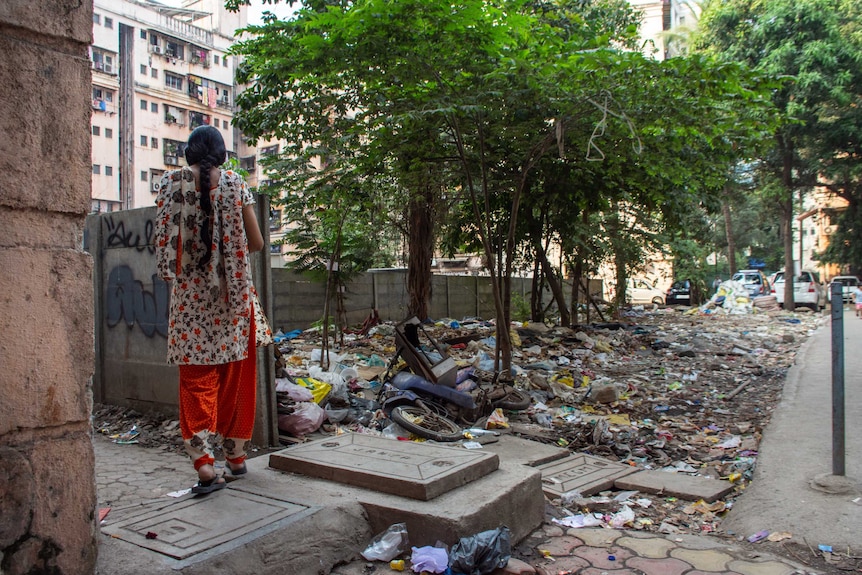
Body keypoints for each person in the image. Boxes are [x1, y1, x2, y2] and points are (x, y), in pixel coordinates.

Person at [154, 125, 268, 494]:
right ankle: (236, 458)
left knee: (197, 383)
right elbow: (256, 242)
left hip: (191, 305)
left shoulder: (169, 184)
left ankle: (204, 465)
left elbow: (164, 244)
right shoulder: (236, 184)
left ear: (189, 152)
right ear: (221, 153)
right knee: (236, 378)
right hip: (234, 302)